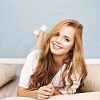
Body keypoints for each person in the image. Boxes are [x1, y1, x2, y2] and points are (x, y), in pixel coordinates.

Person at [17, 19, 87, 100]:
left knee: (41, 46)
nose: (57, 41)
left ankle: (41, 34)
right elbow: (20, 92)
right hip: (40, 53)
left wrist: (53, 91)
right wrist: (34, 94)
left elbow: (66, 96)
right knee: (37, 47)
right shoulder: (34, 57)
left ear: (73, 47)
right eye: (57, 34)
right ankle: (41, 35)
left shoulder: (76, 69)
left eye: (66, 39)